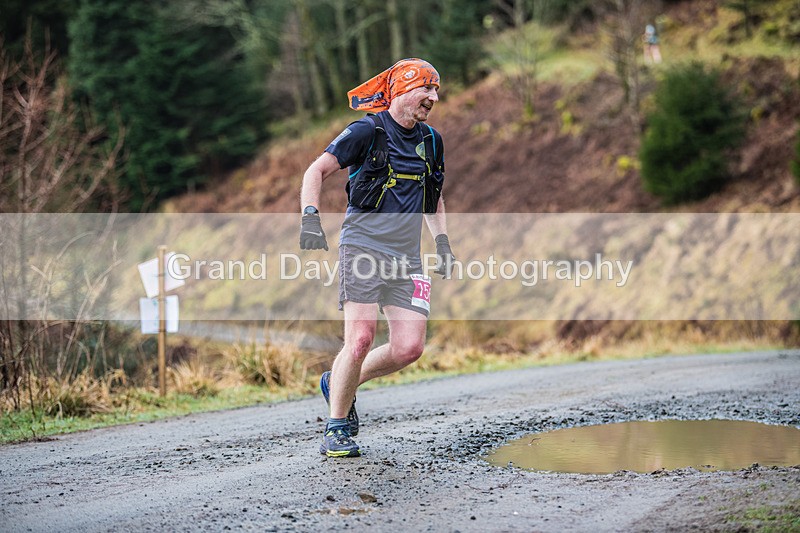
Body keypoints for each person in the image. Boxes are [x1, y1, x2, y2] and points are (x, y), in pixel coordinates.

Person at [299, 58, 455, 457]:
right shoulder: (367, 130)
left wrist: (442, 242)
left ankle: (338, 381)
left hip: (407, 258)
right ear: (403, 88)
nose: (434, 98)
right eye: (427, 88)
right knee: (361, 339)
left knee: (409, 348)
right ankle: (337, 427)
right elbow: (316, 171)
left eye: (436, 90)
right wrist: (310, 217)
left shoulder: (432, 141)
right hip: (363, 249)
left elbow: (434, 197)